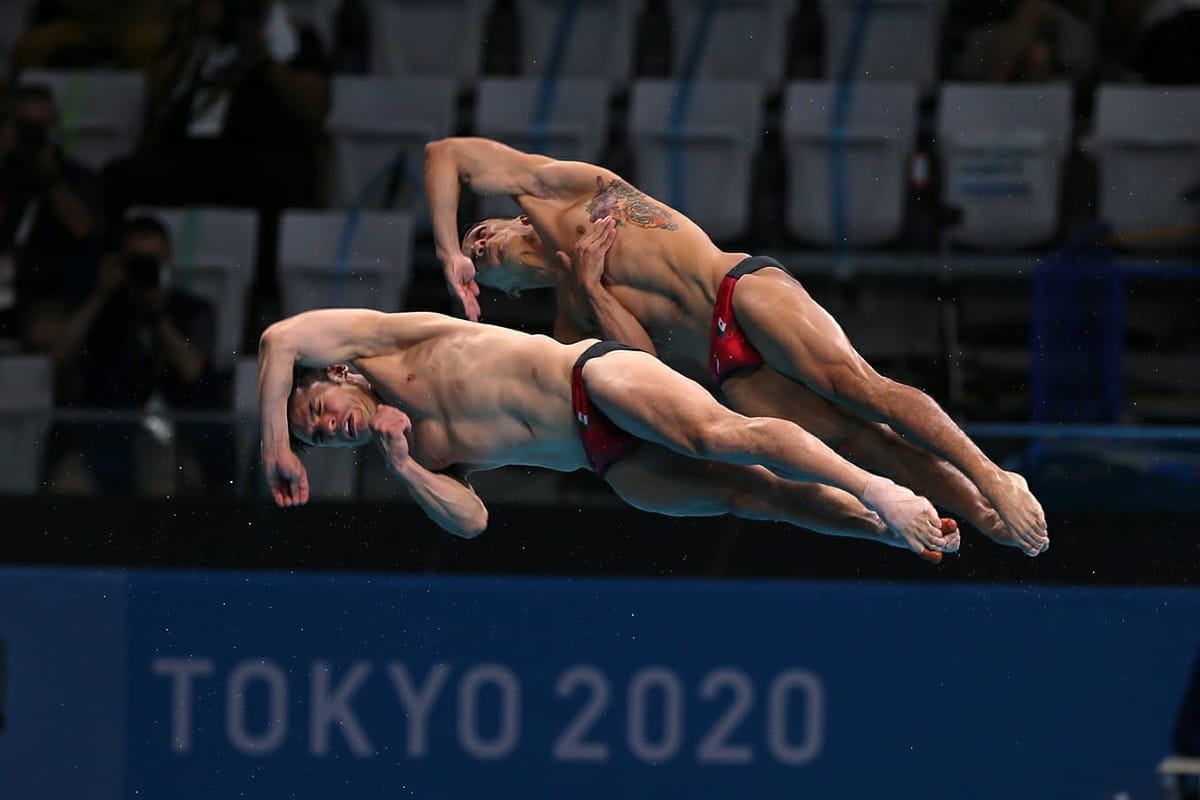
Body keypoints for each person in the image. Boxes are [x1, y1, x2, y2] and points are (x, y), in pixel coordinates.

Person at [423, 136, 1050, 557]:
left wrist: (448, 249)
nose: (481, 248)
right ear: (504, 292)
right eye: (480, 265)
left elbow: (444, 153)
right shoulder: (568, 320)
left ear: (512, 220)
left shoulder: (556, 191)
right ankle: (975, 511)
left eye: (481, 233)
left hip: (736, 287)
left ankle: (993, 478)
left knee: (860, 388)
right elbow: (642, 366)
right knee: (855, 441)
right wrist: (591, 286)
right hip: (726, 367)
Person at [259, 307, 961, 559]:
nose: (326, 428)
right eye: (318, 441)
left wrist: (277, 447)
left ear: (340, 373)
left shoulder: (387, 342)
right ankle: (891, 531)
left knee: (721, 436)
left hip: (592, 378)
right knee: (756, 498)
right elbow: (470, 522)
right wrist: (408, 467)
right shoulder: (413, 448)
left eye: (315, 411)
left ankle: (884, 490)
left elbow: (279, 336)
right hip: (604, 460)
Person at [41, 213, 228, 494]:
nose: (145, 270)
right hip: (103, 437)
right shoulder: (103, 310)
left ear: (168, 262)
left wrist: (157, 314)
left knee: (160, 486)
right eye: (136, 262)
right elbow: (58, 361)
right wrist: (100, 295)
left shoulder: (191, 310)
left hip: (170, 437)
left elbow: (193, 370)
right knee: (67, 486)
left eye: (152, 262)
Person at [0, 82, 105, 350]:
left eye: (40, 127)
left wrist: (50, 178)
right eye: (25, 126)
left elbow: (81, 229)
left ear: (54, 128)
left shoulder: (75, 177)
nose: (32, 135)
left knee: (48, 333)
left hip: (41, 292)